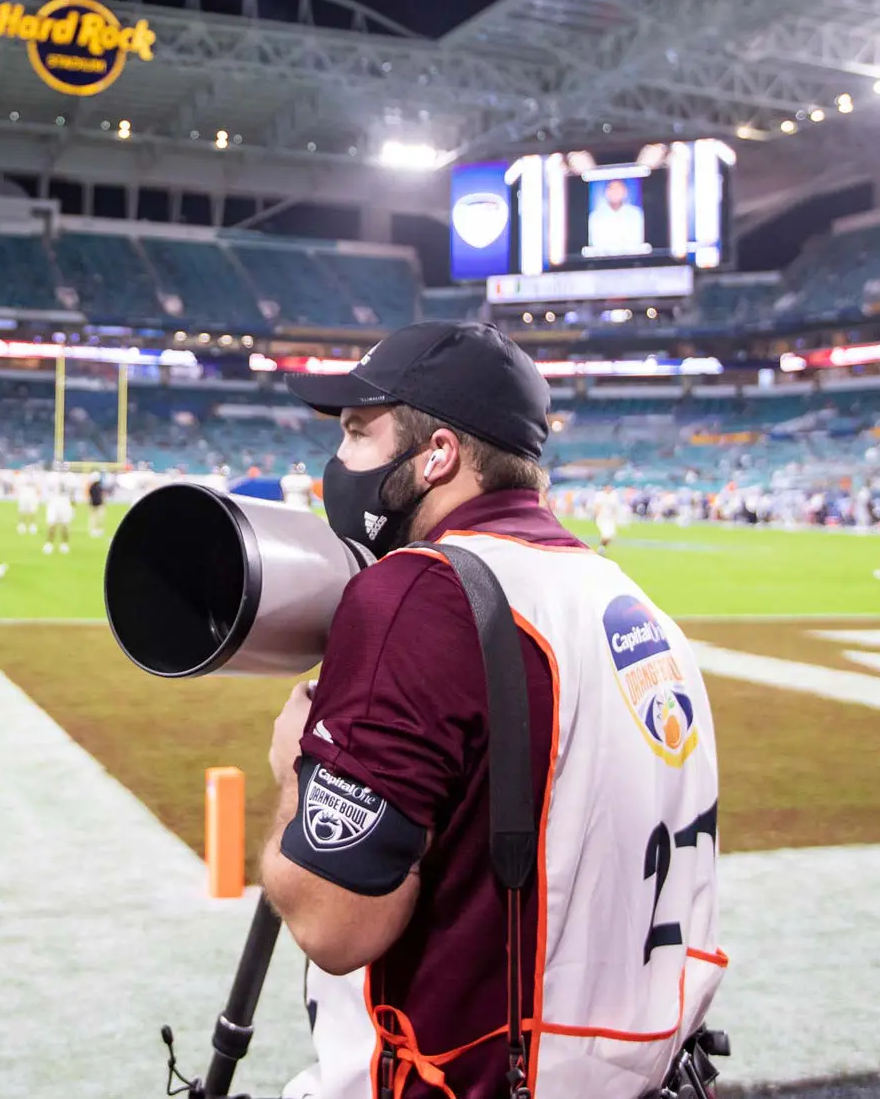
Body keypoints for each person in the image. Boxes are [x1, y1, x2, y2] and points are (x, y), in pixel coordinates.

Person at [264, 321, 722, 1099]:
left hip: (469, 1076)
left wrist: (290, 774)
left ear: (436, 454)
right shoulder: (623, 597)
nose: (335, 464)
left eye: (354, 433)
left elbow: (332, 925)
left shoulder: (420, 591)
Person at [586, 176, 647, 254]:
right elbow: (595, 246)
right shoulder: (595, 216)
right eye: (611, 188)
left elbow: (638, 243)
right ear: (606, 192)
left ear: (625, 192)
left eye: (618, 189)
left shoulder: (636, 214)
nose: (615, 192)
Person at [42, 471, 74, 556]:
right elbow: (47, 489)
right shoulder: (51, 476)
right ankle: (49, 543)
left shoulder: (70, 477)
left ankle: (64, 544)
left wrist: (73, 505)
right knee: (51, 524)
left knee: (65, 525)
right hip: (54, 502)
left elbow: (72, 492)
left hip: (65, 502)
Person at [593, 483, 623, 553]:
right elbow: (597, 506)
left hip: (610, 519)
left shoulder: (614, 495)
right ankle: (601, 549)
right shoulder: (600, 495)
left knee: (610, 536)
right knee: (606, 535)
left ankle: (602, 547)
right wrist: (596, 515)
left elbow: (615, 508)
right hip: (602, 518)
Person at [84, 471, 107, 537]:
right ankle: (94, 530)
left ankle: (98, 529)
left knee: (98, 518)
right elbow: (89, 495)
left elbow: (102, 495)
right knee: (94, 518)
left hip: (98, 504)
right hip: (94, 504)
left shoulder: (98, 486)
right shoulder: (92, 486)